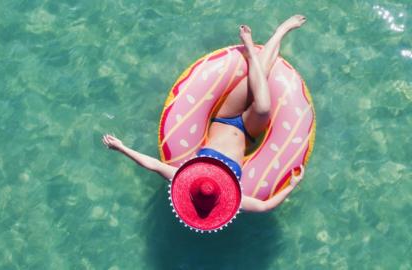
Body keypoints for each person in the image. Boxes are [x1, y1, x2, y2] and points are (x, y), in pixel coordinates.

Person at [102, 15, 307, 212]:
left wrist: (121, 148)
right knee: (262, 107)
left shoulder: (187, 178)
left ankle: (261, 43)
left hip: (225, 118)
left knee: (258, 82)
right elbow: (264, 206)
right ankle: (279, 32)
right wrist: (293, 184)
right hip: (248, 132)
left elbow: (153, 165)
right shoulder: (231, 198)